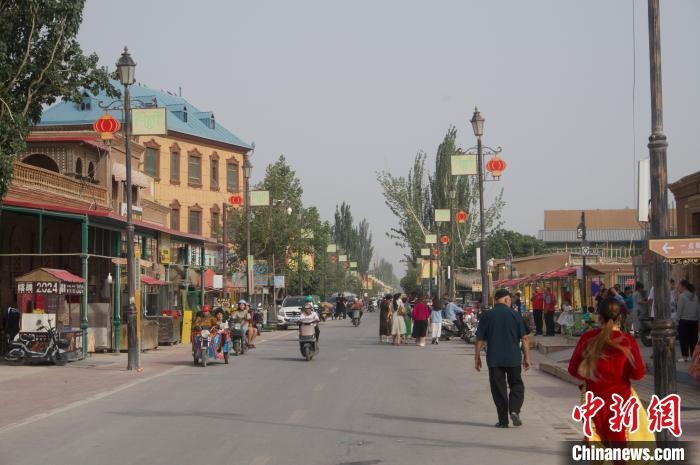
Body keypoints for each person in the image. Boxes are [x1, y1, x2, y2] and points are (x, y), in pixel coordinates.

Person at [567, 297, 651, 446]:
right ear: (620, 318)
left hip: (593, 401)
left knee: (597, 446)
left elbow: (573, 370)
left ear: (599, 316)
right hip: (621, 401)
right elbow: (638, 374)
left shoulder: (588, 337)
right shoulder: (627, 340)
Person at [475, 289, 530, 428]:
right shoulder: (515, 315)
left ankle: (503, 421)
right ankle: (514, 410)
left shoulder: (487, 315)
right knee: (516, 385)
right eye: (510, 299)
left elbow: (480, 338)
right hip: (513, 358)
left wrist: (477, 357)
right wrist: (526, 357)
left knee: (498, 389)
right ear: (506, 299)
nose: (510, 302)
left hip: (494, 359)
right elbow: (525, 338)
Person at [675, 279, 700, 363]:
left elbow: (679, 309)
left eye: (680, 286)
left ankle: (685, 357)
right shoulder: (695, 297)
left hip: (684, 321)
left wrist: (677, 320)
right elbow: (698, 310)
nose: (679, 288)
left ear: (684, 287)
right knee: (693, 340)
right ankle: (693, 357)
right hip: (694, 321)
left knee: (684, 339)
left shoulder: (682, 296)